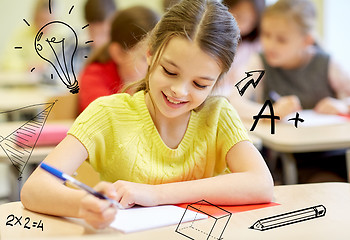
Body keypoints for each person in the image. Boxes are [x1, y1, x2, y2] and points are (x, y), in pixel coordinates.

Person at [21, 0, 274, 229]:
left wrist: (156, 194)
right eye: (170, 71)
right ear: (150, 54)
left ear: (218, 81)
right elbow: (35, 188)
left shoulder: (217, 116)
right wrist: (83, 204)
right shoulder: (108, 113)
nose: (179, 91)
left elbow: (261, 184)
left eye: (200, 84)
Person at [232, 0, 350, 120]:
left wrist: (343, 105)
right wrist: (270, 112)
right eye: (266, 34)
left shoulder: (328, 64)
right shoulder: (258, 62)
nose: (269, 45)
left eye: (281, 40)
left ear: (306, 41)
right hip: (276, 137)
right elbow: (233, 101)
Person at [78, 6, 160, 112]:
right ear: (118, 53)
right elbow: (107, 118)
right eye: (144, 58)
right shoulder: (94, 76)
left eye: (158, 58)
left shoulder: (154, 80)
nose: (153, 65)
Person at [220, 0, 265, 94]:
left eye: (251, 21)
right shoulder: (214, 38)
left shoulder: (255, 46)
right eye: (239, 16)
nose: (243, 25)